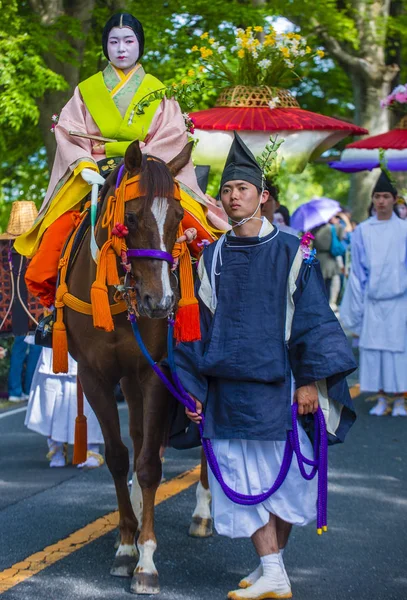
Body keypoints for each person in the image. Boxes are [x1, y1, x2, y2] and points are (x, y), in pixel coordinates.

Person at [173, 133, 356, 600]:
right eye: (227, 191)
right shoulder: (211, 257)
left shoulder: (294, 251)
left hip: (283, 387)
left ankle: (272, 568)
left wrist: (311, 381)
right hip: (228, 390)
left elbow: (314, 318)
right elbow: (198, 327)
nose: (233, 197)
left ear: (263, 196)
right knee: (241, 480)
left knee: (287, 486)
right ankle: (272, 568)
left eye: (242, 189)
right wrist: (191, 388)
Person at [15, 12, 226, 307]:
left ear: (139, 45)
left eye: (128, 41)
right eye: (114, 42)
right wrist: (85, 164)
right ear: (105, 46)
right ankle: (56, 306)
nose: (121, 48)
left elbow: (172, 135)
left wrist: (146, 160)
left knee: (194, 226)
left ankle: (202, 300)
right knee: (56, 233)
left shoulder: (158, 91)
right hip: (96, 174)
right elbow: (69, 132)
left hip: (147, 172)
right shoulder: (86, 90)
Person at [341, 172, 407, 417]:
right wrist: (356, 308)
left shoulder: (404, 230)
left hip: (400, 301)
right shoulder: (363, 231)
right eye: (377, 196)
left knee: (400, 351)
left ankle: (400, 398)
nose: (381, 201)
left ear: (394, 199)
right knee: (375, 351)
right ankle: (381, 396)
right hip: (372, 301)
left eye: (386, 196)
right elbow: (357, 272)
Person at [25, 347, 105, 468]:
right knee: (52, 393)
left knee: (88, 396)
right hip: (55, 340)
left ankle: (91, 448)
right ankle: (57, 447)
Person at [0, 201, 42, 402]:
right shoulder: (11, 251)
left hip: (26, 305)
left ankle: (24, 389)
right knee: (28, 346)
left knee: (31, 346)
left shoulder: (9, 250)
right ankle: (21, 389)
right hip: (24, 305)